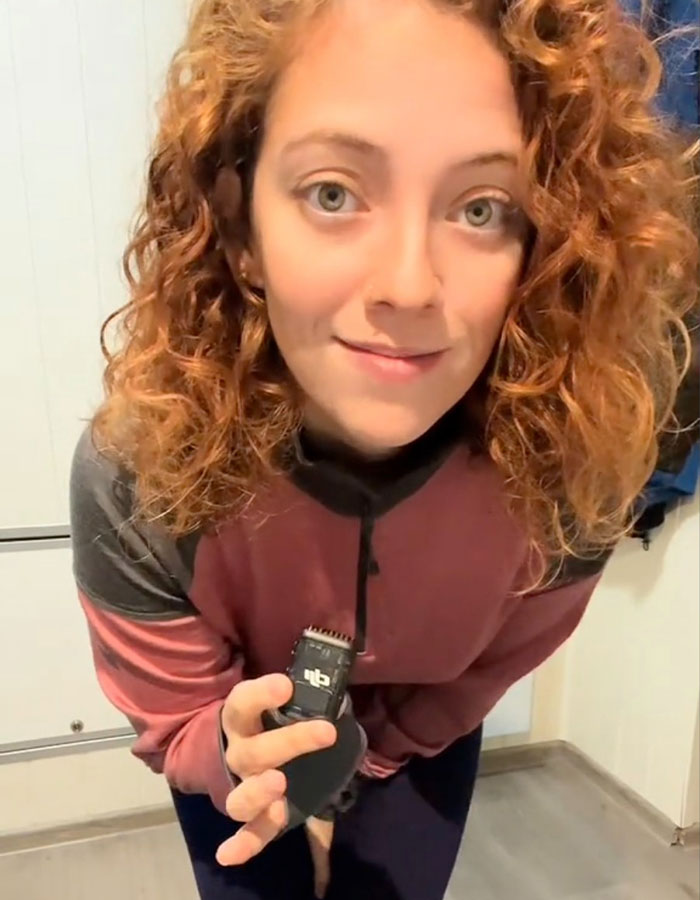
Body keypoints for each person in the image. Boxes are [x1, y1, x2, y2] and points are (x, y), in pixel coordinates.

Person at [69, 0, 698, 898]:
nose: (409, 285)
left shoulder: (575, 469)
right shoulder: (135, 474)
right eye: (334, 193)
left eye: (481, 207)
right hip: (237, 725)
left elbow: (485, 669)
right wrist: (232, 748)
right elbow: (174, 716)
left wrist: (372, 760)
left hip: (425, 721)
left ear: (545, 243)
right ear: (240, 223)